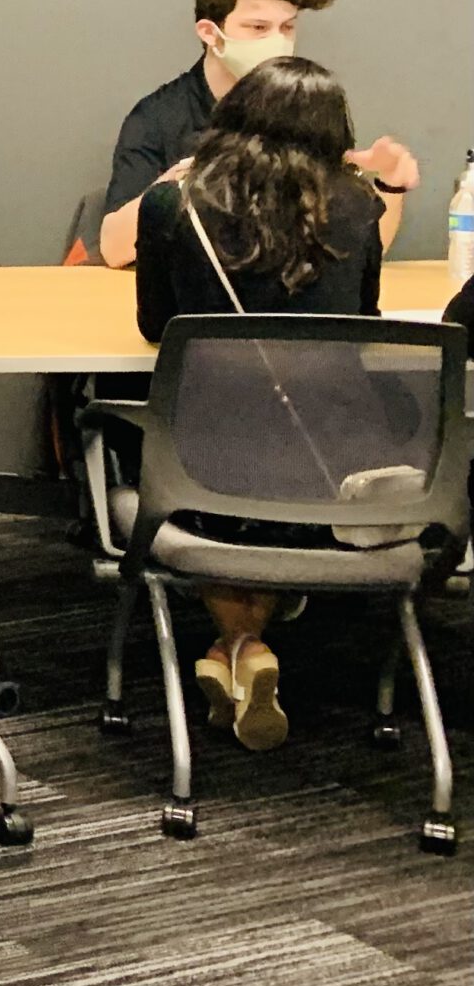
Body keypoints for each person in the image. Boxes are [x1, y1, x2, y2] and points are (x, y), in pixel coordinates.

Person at [132, 57, 390, 754]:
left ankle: (239, 647)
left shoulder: (173, 204)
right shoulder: (360, 205)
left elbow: (156, 325)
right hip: (332, 468)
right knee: (274, 478)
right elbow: (364, 320)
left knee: (228, 469)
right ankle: (247, 649)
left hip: (206, 471)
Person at [100, 0, 417, 267]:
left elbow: (355, 254)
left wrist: (390, 183)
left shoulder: (309, 111)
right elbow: (113, 250)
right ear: (210, 33)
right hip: (192, 288)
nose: (278, 43)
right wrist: (181, 183)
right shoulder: (158, 117)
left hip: (286, 289)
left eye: (287, 28)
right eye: (258, 28)